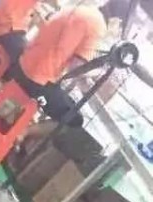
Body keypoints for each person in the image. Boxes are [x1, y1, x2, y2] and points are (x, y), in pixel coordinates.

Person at [9, 0, 128, 131]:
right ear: (117, 21)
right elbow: (76, 68)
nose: (118, 32)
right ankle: (22, 133)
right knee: (74, 119)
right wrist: (96, 73)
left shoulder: (79, 7)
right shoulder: (97, 25)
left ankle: (19, 124)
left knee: (59, 98)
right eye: (119, 28)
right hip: (35, 81)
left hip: (22, 63)